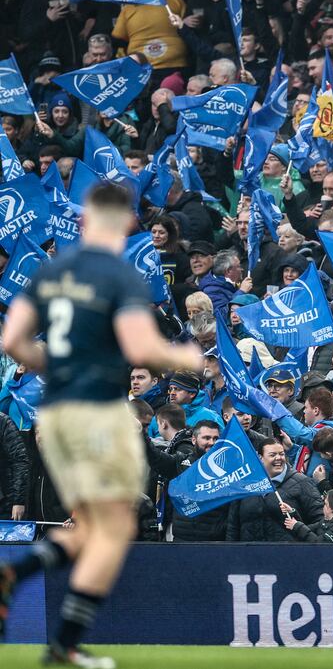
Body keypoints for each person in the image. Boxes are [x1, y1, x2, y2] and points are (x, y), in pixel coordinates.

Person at [0, 183, 203, 663]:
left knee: (94, 526)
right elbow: (140, 347)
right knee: (114, 528)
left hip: (55, 416)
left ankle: (17, 576)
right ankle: (64, 642)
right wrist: (184, 357)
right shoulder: (118, 275)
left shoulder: (51, 271)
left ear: (84, 221)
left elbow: (12, 341)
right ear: (127, 224)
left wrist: (60, 365)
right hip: (98, 414)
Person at [227, 437, 325, 542]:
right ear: (260, 458)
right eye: (272, 455)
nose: (278, 458)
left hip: (290, 551)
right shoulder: (244, 485)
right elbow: (233, 526)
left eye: (281, 454)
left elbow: (321, 522)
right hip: (249, 550)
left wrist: (299, 529)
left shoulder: (302, 482)